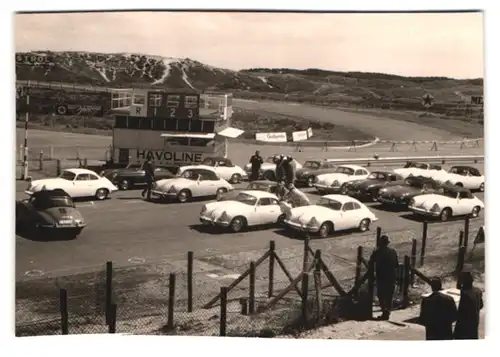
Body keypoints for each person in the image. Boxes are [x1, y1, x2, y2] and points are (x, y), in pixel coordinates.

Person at [369, 235, 399, 320]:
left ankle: (385, 311)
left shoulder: (378, 252)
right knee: (389, 295)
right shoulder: (393, 251)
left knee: (381, 295)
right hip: (391, 277)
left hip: (381, 277)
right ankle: (387, 311)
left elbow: (371, 262)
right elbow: (396, 264)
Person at [454, 270, 484, 339]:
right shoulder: (478, 291)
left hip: (464, 327)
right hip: (474, 322)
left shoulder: (464, 294)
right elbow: (481, 305)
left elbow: (461, 313)